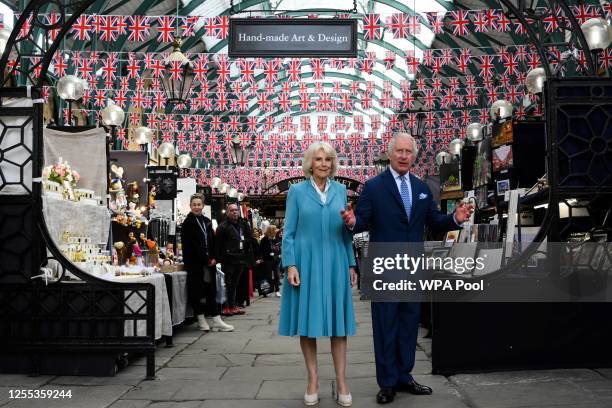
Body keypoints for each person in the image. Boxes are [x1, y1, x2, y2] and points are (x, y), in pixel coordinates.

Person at [341, 133, 473, 404]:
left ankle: (405, 376)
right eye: (398, 151)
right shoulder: (374, 187)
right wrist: (353, 221)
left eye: (408, 152)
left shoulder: (421, 186)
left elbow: (434, 221)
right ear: (390, 154)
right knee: (385, 325)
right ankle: (387, 383)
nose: (403, 156)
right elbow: (362, 222)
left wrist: (454, 219)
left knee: (409, 323)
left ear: (414, 156)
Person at [279, 141, 358, 407]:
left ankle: (342, 381)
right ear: (310, 163)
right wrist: (290, 264)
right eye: (318, 159)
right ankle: (313, 380)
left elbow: (346, 232)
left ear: (333, 164)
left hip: (336, 260)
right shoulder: (296, 192)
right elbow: (288, 232)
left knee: (339, 324)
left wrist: (351, 264)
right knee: (308, 324)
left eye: (328, 159)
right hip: (306, 262)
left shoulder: (341, 190)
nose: (324, 163)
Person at [181, 193, 233, 332]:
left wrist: (215, 257)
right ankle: (201, 319)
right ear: (190, 206)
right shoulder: (187, 223)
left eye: (199, 204)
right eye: (194, 205)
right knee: (196, 292)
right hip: (195, 264)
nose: (197, 207)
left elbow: (213, 242)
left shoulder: (207, 221)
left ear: (203, 206)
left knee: (211, 291)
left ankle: (216, 319)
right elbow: (191, 246)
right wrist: (205, 260)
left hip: (209, 264)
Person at [216, 202, 253, 316]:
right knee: (227, 283)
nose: (234, 212)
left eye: (236, 210)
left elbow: (249, 239)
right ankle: (226, 306)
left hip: (240, 259)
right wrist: (220, 258)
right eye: (232, 210)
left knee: (235, 284)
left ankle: (232, 305)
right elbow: (218, 244)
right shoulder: (223, 227)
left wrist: (246, 253)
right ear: (227, 212)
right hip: (228, 260)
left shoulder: (242, 224)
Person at [260, 225, 281, 297]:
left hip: (275, 259)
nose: (276, 231)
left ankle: (277, 290)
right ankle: (266, 291)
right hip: (267, 260)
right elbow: (261, 250)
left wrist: (277, 253)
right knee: (267, 275)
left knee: (276, 275)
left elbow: (279, 249)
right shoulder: (264, 240)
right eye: (275, 230)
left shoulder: (276, 239)